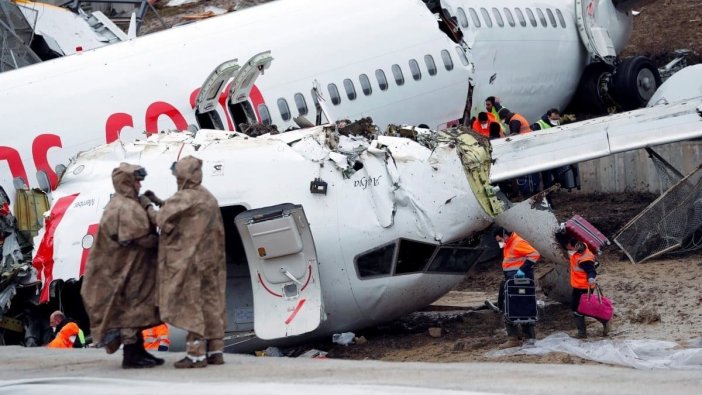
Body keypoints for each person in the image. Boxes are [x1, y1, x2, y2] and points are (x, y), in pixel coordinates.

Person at [81, 163, 163, 369]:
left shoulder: (127, 203)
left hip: (131, 268)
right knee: (130, 312)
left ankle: (139, 351)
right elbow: (141, 237)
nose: (139, 184)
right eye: (136, 180)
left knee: (138, 310)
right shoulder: (123, 207)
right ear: (126, 182)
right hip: (123, 271)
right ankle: (131, 354)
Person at [147, 156, 226, 369]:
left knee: (191, 306)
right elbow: (185, 214)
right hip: (212, 261)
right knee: (211, 303)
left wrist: (148, 206)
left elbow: (161, 218)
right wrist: (159, 200)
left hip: (191, 261)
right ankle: (216, 350)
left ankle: (195, 354)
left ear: (183, 175)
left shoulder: (185, 197)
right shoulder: (206, 196)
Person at [494, 226, 540, 348]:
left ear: (505, 235)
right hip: (512, 279)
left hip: (520, 279)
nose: (499, 243)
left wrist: (522, 270)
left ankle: (523, 338)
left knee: (522, 306)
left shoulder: (517, 242)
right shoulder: (509, 244)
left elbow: (534, 254)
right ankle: (518, 337)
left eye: (500, 240)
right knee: (511, 306)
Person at [565, 237, 610, 338]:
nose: (568, 248)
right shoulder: (581, 248)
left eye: (569, 246)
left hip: (585, 287)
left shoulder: (584, 259)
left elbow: (591, 270)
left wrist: (591, 278)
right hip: (578, 286)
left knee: (581, 309)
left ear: (574, 246)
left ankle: (585, 332)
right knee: (578, 309)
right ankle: (602, 323)